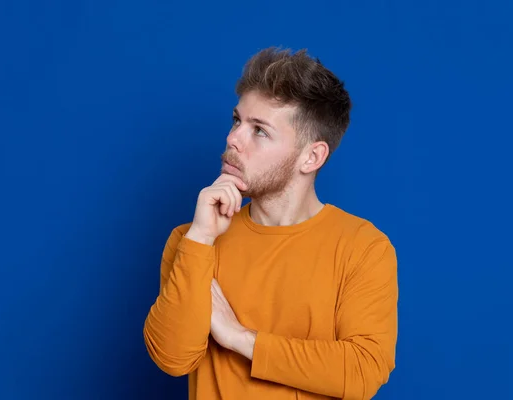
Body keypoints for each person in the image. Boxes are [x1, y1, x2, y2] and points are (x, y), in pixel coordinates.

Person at [143, 47, 398, 400]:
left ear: (312, 157)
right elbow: (171, 358)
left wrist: (238, 337)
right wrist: (201, 237)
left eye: (259, 131)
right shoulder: (192, 241)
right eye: (237, 121)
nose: (233, 138)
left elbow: (362, 371)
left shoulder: (362, 247)